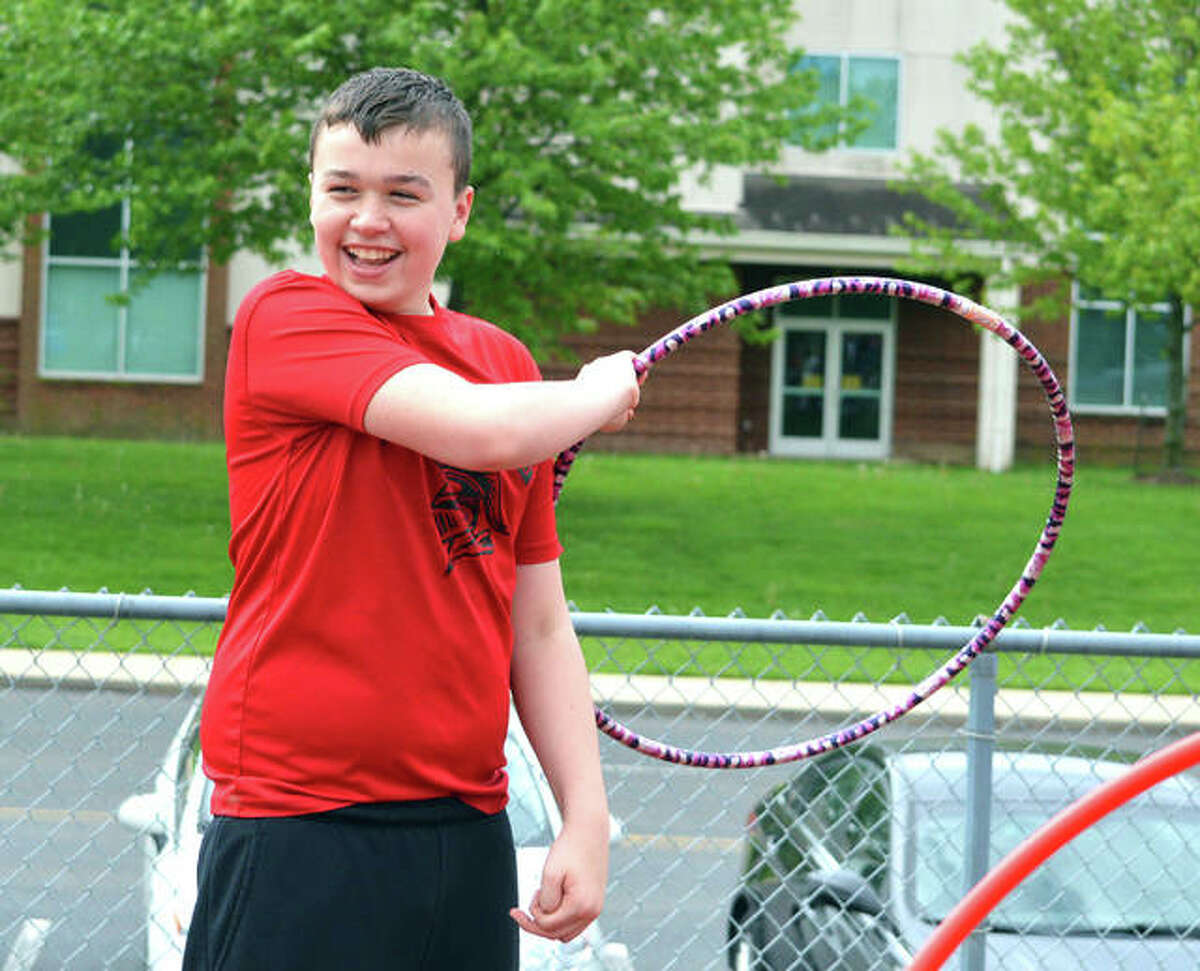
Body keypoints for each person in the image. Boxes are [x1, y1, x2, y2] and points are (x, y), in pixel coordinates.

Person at [183, 66, 640, 971]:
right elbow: (478, 429)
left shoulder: (506, 363)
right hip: (299, 821)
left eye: (404, 193)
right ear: (311, 194)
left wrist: (585, 818)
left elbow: (538, 623)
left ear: (460, 211)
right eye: (341, 188)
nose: (367, 220)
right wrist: (594, 394)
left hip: (464, 828)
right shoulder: (286, 316)